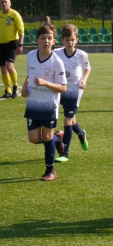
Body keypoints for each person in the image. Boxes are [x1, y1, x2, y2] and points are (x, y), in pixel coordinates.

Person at [21, 24, 67, 181]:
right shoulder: (30, 56)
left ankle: (50, 170)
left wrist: (46, 83)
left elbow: (63, 88)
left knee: (46, 137)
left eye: (49, 38)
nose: (46, 41)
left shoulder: (57, 62)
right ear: (36, 40)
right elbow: (29, 76)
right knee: (33, 138)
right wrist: (25, 88)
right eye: (42, 38)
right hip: (33, 104)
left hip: (49, 106)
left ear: (54, 41)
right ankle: (58, 138)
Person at [53, 24, 91, 162]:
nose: (70, 42)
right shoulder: (56, 53)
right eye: (67, 39)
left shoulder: (82, 55)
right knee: (71, 119)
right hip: (60, 89)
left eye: (72, 39)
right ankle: (81, 134)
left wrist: (84, 80)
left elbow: (88, 69)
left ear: (77, 40)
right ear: (62, 40)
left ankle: (65, 153)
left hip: (75, 90)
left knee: (67, 119)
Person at [0, 0, 24, 98]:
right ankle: (8, 91)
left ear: (10, 3)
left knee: (9, 65)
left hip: (12, 43)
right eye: (1, 2)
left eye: (5, 2)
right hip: (1, 44)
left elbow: (21, 31)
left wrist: (20, 45)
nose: (3, 4)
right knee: (3, 68)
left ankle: (15, 86)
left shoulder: (15, 15)